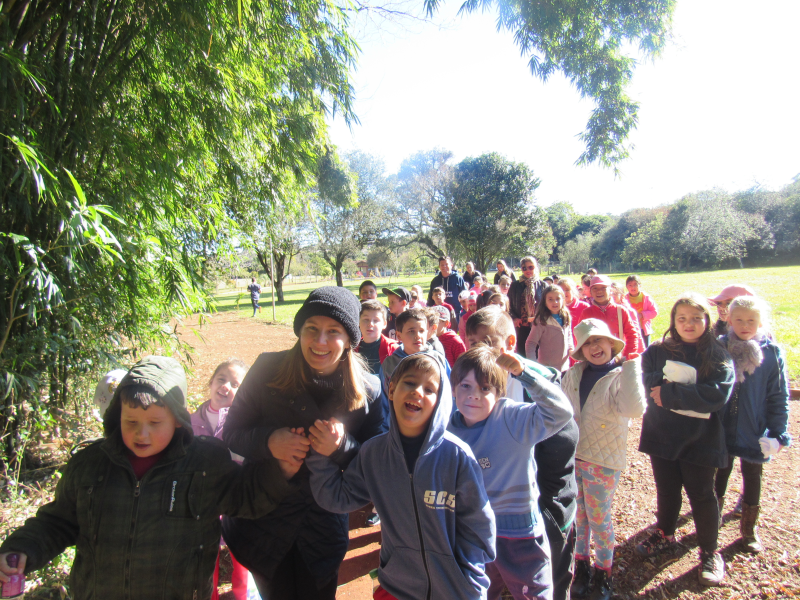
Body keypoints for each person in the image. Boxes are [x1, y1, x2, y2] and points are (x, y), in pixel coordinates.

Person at [0, 356, 292, 600]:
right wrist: (22, 548)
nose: (142, 433)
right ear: (117, 416)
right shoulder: (89, 466)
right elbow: (57, 522)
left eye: (155, 423)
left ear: (178, 419)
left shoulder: (205, 464)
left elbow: (247, 497)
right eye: (131, 422)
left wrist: (282, 467)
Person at [221, 287, 387, 599]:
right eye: (311, 329)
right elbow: (232, 432)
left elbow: (377, 462)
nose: (320, 341)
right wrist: (270, 441)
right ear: (300, 331)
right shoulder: (267, 369)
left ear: (351, 339)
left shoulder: (369, 390)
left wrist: (342, 447)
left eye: (333, 331)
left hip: (323, 530)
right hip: (265, 523)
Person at [307, 353, 497, 600]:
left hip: (455, 591)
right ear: (391, 389)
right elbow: (339, 498)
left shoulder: (457, 456)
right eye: (410, 383)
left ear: (440, 402)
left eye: (430, 389)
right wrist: (320, 456)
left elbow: (479, 526)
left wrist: (469, 581)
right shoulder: (373, 454)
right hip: (395, 588)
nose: (418, 391)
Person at [465, 307, 579, 600]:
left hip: (543, 499)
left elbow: (563, 433)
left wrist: (551, 505)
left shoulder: (536, 380)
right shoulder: (472, 384)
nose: (480, 352)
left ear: (510, 345)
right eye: (473, 344)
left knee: (549, 567)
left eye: (488, 343)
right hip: (497, 508)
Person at [636, 293, 734, 587]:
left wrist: (670, 393)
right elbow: (645, 380)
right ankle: (665, 532)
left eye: (696, 318)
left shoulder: (717, 355)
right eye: (682, 318)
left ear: (707, 320)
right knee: (666, 489)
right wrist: (666, 389)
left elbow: (716, 395)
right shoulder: (656, 350)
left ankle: (709, 552)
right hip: (662, 433)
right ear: (673, 321)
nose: (689, 324)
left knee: (702, 494)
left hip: (700, 439)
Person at [562, 320, 646, 600]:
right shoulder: (574, 374)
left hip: (603, 460)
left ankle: (603, 572)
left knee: (599, 519)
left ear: (612, 343)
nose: (594, 347)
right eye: (587, 342)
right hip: (575, 457)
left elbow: (634, 409)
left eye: (599, 340)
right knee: (579, 518)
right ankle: (582, 567)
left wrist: (632, 365)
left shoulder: (621, 375)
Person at [714, 296, 791, 553]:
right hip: (722, 426)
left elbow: (778, 395)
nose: (745, 325)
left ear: (760, 322)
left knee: (753, 476)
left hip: (754, 428)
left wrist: (778, 433)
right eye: (739, 320)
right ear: (729, 320)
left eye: (751, 320)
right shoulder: (720, 347)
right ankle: (711, 519)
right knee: (719, 472)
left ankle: (748, 529)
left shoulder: (770, 353)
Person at [191, 359, 252, 600]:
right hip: (203, 503)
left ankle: (242, 594)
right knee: (206, 555)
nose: (226, 386)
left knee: (242, 553)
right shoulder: (191, 422)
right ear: (211, 382)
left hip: (235, 500)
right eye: (221, 379)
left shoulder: (242, 424)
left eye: (235, 384)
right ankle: (210, 595)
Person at [380, 308, 451, 395]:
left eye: (421, 331)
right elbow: (383, 398)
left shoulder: (437, 359)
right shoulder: (390, 364)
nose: (418, 336)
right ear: (399, 335)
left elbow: (449, 392)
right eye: (411, 331)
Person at [577, 275, 642, 358]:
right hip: (596, 359)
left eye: (603, 288)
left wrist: (626, 357)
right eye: (595, 288)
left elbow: (632, 335)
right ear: (591, 291)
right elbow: (580, 337)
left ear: (611, 290)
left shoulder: (621, 311)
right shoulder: (587, 313)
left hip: (618, 358)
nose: (599, 291)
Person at [525, 284, 573, 374]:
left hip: (565, 366)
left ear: (563, 299)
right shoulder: (542, 320)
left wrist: (571, 349)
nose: (555, 302)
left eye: (558, 299)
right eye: (550, 299)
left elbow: (569, 335)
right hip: (548, 369)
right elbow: (531, 343)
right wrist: (533, 364)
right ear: (545, 302)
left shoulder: (566, 316)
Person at [508, 256, 546, 356]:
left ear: (536, 267)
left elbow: (547, 307)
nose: (527, 270)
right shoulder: (515, 286)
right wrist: (514, 318)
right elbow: (508, 306)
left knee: (538, 355)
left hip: (538, 326)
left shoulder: (543, 286)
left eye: (531, 267)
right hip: (521, 327)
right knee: (522, 355)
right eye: (524, 268)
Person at [356, 299, 400, 375]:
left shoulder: (393, 349)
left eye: (376, 320)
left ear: (384, 324)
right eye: (366, 319)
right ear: (358, 322)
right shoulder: (351, 349)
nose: (370, 324)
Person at [427, 256, 468, 326]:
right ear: (439, 266)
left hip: (455, 312)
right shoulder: (435, 281)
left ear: (451, 265)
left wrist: (466, 308)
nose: (444, 266)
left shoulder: (458, 279)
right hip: (439, 313)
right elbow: (431, 297)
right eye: (442, 265)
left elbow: (465, 295)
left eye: (446, 264)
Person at [625, 275, 658, 348]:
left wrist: (642, 315)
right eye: (630, 285)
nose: (633, 287)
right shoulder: (624, 299)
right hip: (630, 329)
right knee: (632, 348)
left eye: (635, 285)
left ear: (640, 286)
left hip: (643, 329)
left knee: (645, 349)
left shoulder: (646, 297)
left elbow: (654, 312)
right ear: (627, 287)